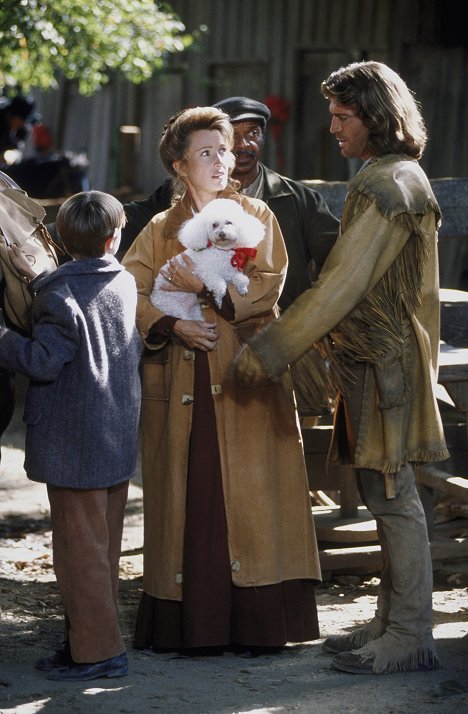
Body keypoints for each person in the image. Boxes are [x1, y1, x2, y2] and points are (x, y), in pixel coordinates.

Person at [231, 61, 450, 674]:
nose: (333, 127)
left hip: (384, 364)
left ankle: (409, 633)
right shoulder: (387, 176)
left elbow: (338, 289)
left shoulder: (386, 186)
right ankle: (391, 619)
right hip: (374, 363)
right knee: (387, 497)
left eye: (343, 116)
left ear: (375, 118)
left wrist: (267, 353)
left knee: (395, 497)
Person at [122, 106, 321, 655]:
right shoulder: (160, 228)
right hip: (181, 383)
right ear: (179, 164)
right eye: (206, 152)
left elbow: (266, 287)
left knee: (252, 495)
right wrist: (173, 323)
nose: (221, 160)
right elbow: (129, 291)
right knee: (194, 492)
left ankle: (259, 626)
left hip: (245, 378)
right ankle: (194, 628)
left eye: (225, 150)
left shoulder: (256, 214)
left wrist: (207, 290)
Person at [0, 190, 142, 681]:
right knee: (102, 549)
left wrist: (3, 339)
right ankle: (84, 641)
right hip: (114, 433)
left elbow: (43, 361)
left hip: (72, 442)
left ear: (60, 238)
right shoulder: (124, 282)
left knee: (78, 555)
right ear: (115, 236)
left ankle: (99, 653)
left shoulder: (56, 295)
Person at [119, 97, 339, 311]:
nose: (244, 144)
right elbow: (134, 221)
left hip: (278, 332)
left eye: (253, 132)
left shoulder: (297, 200)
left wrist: (314, 314)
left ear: (263, 138)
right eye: (234, 135)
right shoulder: (175, 196)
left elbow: (338, 259)